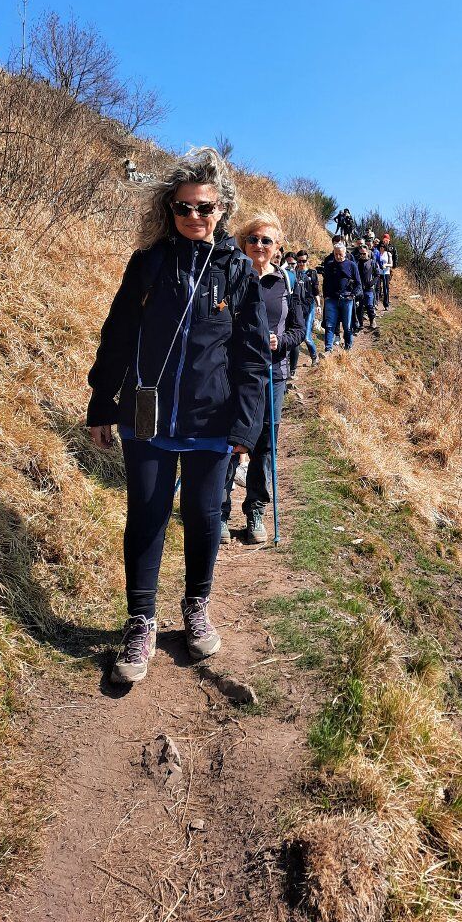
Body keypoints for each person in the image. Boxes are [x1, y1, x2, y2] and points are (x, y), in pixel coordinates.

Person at [86, 147, 270, 685]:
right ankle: (141, 621)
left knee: (203, 515)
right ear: (170, 209)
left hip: (212, 425)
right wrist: (102, 402)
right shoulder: (148, 265)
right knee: (145, 515)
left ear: (222, 211)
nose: (195, 217)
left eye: (206, 208)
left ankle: (196, 606)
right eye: (184, 207)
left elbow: (252, 359)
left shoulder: (237, 272)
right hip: (148, 419)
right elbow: (117, 337)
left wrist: (244, 428)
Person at [220, 213, 305, 545]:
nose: (258, 245)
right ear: (244, 243)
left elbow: (299, 328)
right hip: (235, 372)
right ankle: (221, 513)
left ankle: (255, 512)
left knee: (265, 446)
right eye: (252, 239)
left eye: (266, 241)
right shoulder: (233, 276)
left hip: (273, 373)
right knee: (231, 439)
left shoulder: (287, 283)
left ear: (277, 248)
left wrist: (279, 342)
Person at [321, 237, 361, 354]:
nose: (338, 256)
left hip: (347, 299)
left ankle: (348, 347)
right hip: (331, 299)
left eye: (340, 254)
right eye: (336, 254)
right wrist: (326, 296)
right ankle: (328, 350)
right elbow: (325, 282)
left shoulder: (351, 265)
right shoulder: (329, 265)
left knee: (347, 326)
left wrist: (353, 295)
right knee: (329, 326)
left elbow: (359, 284)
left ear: (345, 253)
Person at [294, 250, 320, 366]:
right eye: (299, 261)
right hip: (297, 307)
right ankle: (292, 364)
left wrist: (318, 305)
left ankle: (314, 356)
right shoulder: (293, 273)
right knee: (296, 335)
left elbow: (316, 291)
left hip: (309, 306)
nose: (301, 263)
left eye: (303, 261)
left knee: (307, 336)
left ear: (307, 261)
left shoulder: (312, 273)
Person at [356, 245, 380, 332]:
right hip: (359, 288)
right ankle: (360, 324)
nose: (362, 255)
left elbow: (377, 275)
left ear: (368, 253)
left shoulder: (372, 263)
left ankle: (372, 320)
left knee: (370, 305)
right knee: (359, 307)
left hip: (369, 288)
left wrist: (372, 283)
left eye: (364, 253)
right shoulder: (357, 263)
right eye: (361, 254)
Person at [375, 240, 393, 310]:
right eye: (380, 246)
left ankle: (386, 304)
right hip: (379, 273)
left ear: (385, 247)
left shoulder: (388, 254)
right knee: (377, 288)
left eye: (383, 246)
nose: (381, 248)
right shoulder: (377, 253)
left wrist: (386, 265)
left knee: (386, 289)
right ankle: (376, 303)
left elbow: (391, 264)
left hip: (386, 272)